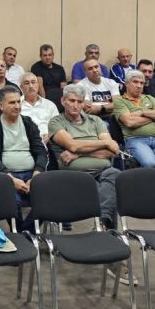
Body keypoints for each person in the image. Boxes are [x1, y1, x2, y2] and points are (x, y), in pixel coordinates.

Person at [46, 84, 127, 281]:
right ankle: (111, 251)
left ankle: (102, 225)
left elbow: (112, 151)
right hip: (75, 177)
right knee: (109, 193)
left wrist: (80, 153)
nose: (75, 105)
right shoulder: (56, 122)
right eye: (71, 101)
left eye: (80, 102)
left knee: (115, 175)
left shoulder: (95, 120)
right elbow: (72, 144)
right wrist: (102, 143)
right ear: (63, 101)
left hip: (103, 172)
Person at [0, 85, 48, 231]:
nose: (17, 106)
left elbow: (42, 152)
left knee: (48, 199)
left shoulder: (29, 122)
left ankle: (25, 232)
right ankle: (19, 232)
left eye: (18, 102)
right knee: (12, 202)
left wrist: (36, 175)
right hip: (5, 175)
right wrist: (10, 178)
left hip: (32, 174)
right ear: (1, 106)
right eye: (12, 103)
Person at [113, 71, 155, 170]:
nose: (139, 86)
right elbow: (130, 122)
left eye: (142, 83)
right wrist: (154, 117)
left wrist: (142, 112)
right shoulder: (120, 101)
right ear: (127, 84)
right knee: (151, 164)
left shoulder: (149, 98)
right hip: (135, 140)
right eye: (135, 82)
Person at [19, 71, 58, 144]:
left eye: (33, 82)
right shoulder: (16, 105)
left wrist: (50, 135)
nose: (31, 86)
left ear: (38, 85)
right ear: (21, 87)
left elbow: (57, 126)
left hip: (49, 142)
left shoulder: (49, 105)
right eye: (27, 83)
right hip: (25, 142)